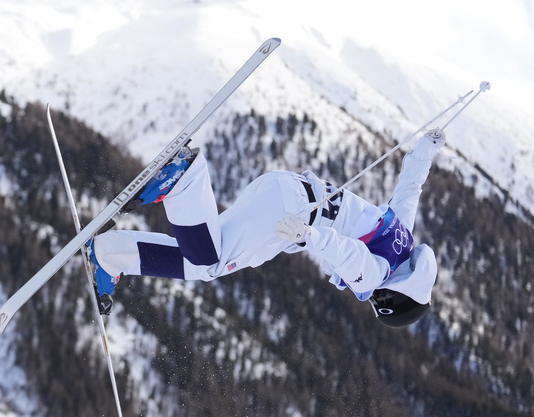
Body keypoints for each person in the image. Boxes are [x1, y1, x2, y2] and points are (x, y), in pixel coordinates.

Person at [89, 129, 445, 327]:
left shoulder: (403, 234)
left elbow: (411, 185)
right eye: (382, 302)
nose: (374, 299)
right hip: (291, 218)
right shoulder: (378, 274)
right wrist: (311, 238)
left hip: (286, 189)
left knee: (206, 251)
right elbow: (348, 254)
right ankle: (183, 181)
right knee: (209, 263)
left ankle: (111, 254)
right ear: (395, 295)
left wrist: (427, 148)